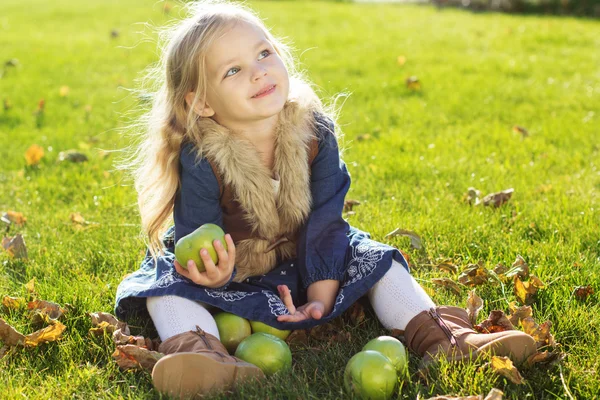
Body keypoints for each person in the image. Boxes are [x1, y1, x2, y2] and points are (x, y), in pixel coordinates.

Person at [114, 1, 537, 398]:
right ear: (201, 103)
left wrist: (320, 294)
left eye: (264, 54)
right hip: (240, 270)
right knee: (166, 286)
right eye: (233, 70)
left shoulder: (313, 130)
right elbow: (198, 232)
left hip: (314, 254)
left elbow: (326, 219)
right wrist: (212, 273)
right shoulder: (202, 154)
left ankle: (445, 339)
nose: (259, 72)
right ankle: (203, 356)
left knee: (378, 260)